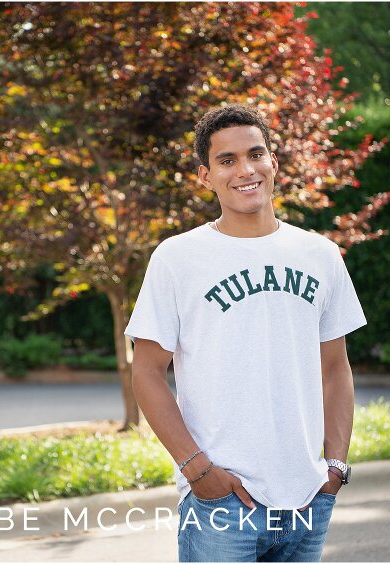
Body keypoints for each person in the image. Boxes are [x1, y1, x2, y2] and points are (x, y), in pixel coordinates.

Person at [124, 103, 366, 562]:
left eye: (256, 154)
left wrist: (333, 468)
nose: (245, 170)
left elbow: (335, 369)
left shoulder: (320, 255)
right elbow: (148, 373)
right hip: (220, 503)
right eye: (227, 160)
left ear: (273, 162)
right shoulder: (178, 258)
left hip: (307, 499)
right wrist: (198, 472)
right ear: (204, 175)